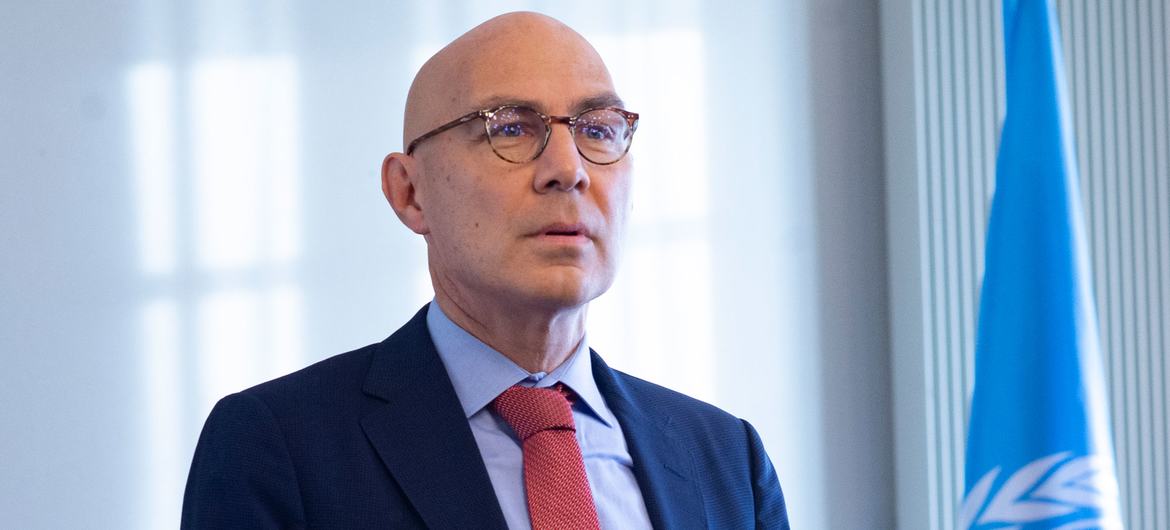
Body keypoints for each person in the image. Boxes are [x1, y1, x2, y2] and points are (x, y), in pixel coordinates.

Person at [181, 11, 789, 530]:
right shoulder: (278, 446)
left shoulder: (726, 458)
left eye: (599, 130)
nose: (568, 170)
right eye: (511, 128)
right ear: (410, 192)